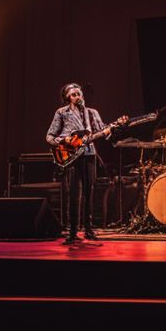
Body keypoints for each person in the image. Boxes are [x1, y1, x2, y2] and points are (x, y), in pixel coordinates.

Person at [46, 83, 124, 244]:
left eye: (79, 94)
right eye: (73, 94)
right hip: (73, 157)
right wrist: (66, 141)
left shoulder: (91, 113)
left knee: (89, 192)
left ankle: (88, 230)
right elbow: (49, 136)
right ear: (68, 97)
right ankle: (73, 231)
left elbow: (103, 131)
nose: (77, 96)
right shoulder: (62, 112)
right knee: (74, 194)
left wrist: (114, 128)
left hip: (89, 154)